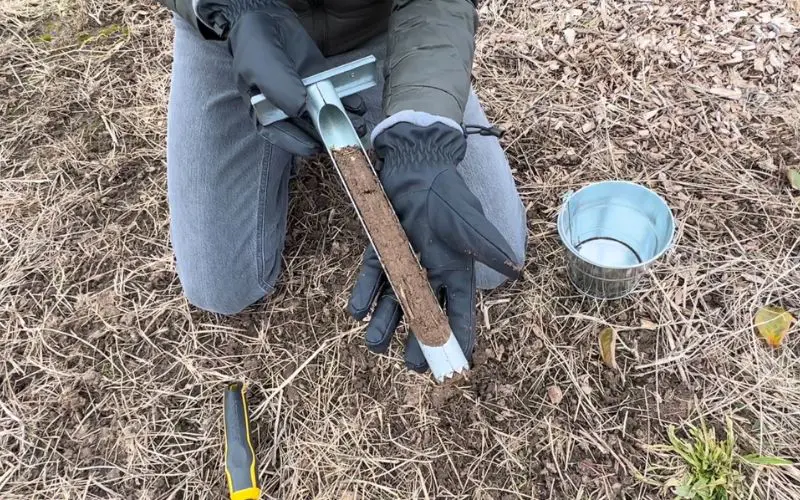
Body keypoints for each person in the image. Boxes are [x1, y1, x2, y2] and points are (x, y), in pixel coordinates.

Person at [157, 0, 527, 374]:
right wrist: (235, 10)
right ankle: (280, 125)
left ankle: (355, 111)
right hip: (241, 36)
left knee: (489, 256)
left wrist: (422, 138)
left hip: (385, 31)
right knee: (221, 286)